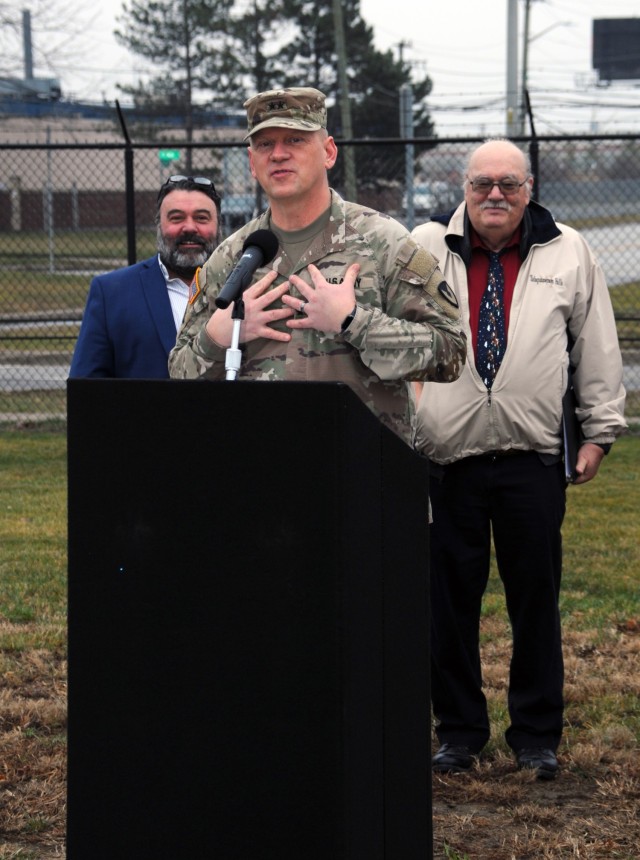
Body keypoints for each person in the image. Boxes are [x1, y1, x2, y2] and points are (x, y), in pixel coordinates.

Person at [412, 138, 627, 779]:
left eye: (508, 183)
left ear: (528, 187)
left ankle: (536, 735)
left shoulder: (569, 252)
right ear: (464, 188)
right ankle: (459, 733)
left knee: (536, 600)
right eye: (482, 184)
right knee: (448, 603)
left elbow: (596, 345)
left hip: (530, 461)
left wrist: (597, 432)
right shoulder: (426, 248)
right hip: (446, 460)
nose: (494, 195)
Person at [169, 87, 466, 445]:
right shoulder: (233, 257)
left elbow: (451, 352)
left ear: (328, 152)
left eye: (295, 139)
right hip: (261, 476)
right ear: (251, 162)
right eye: (265, 144)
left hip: (364, 473)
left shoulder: (383, 242)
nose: (278, 154)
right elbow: (179, 375)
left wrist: (354, 322)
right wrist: (219, 337)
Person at [69, 175, 221, 378]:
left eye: (201, 218)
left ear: (218, 225)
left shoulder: (248, 288)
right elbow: (86, 389)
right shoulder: (112, 294)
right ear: (158, 225)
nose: (190, 227)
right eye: (176, 218)